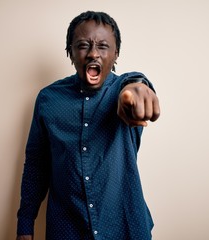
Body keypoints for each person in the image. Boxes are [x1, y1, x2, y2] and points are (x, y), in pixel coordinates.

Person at [16, 11, 160, 240]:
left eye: (103, 46)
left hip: (125, 227)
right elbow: (37, 163)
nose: (93, 53)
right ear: (70, 52)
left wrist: (138, 88)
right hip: (67, 229)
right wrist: (25, 223)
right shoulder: (47, 100)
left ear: (116, 54)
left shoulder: (123, 89)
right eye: (83, 45)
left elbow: (134, 83)